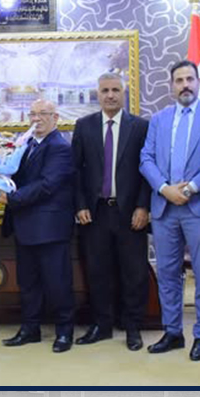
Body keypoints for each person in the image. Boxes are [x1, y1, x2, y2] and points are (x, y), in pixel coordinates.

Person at [140, 60, 200, 360]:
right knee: (167, 274)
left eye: (190, 79)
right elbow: (146, 158)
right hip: (164, 208)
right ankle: (173, 331)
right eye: (179, 80)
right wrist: (165, 189)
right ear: (171, 86)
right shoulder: (159, 119)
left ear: (198, 82)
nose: (185, 85)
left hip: (198, 207)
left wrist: (189, 189)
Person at [71, 72, 151, 351]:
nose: (110, 95)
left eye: (115, 90)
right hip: (95, 213)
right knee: (97, 271)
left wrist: (143, 206)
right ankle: (102, 325)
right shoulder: (84, 126)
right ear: (98, 94)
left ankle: (132, 327)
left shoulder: (140, 127)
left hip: (130, 213)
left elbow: (147, 170)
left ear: (123, 93)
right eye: (105, 90)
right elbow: (75, 170)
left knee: (134, 272)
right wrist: (80, 204)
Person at [0, 99, 76, 353]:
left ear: (56, 118)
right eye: (32, 114)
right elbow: (17, 177)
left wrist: (12, 198)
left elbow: (47, 184)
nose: (37, 118)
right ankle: (30, 329)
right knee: (28, 283)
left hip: (50, 228)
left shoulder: (60, 147)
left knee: (57, 283)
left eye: (43, 113)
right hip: (25, 226)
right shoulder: (27, 144)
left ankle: (64, 332)